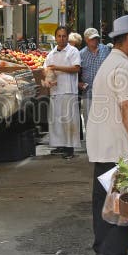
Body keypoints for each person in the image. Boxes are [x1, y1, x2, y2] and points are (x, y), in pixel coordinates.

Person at [87, 15, 128, 255]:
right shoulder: (124, 66)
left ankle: (104, 249)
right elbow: (127, 107)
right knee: (125, 200)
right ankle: (112, 251)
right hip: (120, 147)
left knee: (104, 199)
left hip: (106, 146)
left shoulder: (111, 62)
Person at [45, 26, 82, 159]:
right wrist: (49, 79)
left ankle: (69, 148)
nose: (61, 39)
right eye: (59, 36)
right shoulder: (51, 54)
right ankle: (60, 145)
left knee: (69, 120)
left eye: (64, 36)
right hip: (55, 91)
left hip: (68, 90)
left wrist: (57, 68)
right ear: (55, 38)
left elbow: (76, 68)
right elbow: (47, 70)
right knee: (56, 121)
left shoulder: (73, 51)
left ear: (67, 37)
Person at [79, 27, 110, 134]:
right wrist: (79, 83)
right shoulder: (81, 54)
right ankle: (91, 145)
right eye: (92, 39)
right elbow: (77, 72)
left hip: (105, 92)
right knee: (89, 121)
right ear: (86, 40)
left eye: (96, 38)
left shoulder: (106, 50)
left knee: (104, 121)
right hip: (88, 92)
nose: (95, 41)